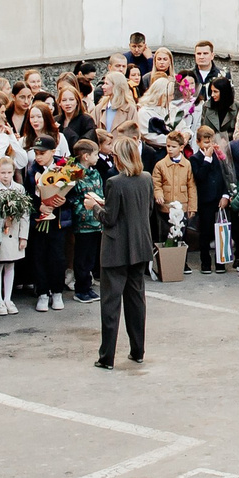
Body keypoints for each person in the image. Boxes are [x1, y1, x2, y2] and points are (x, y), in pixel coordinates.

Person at [91, 137, 154, 370]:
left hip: (116, 249)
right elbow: (146, 210)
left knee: (111, 304)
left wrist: (95, 207)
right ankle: (138, 351)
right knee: (136, 301)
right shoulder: (146, 179)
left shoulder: (114, 182)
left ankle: (107, 357)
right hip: (139, 246)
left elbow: (109, 218)